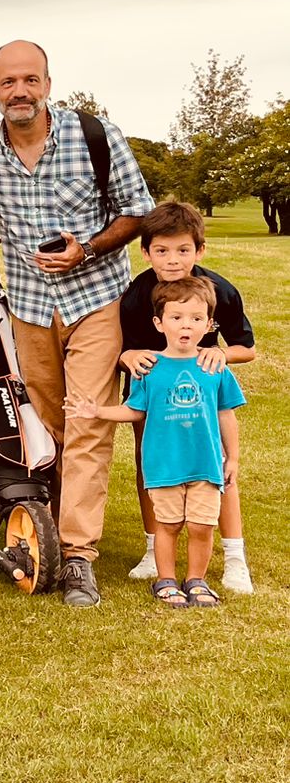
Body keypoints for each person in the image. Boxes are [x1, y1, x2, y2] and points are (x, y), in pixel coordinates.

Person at [0, 41, 153, 607]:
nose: (21, 90)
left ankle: (79, 557)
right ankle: (59, 521)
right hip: (29, 307)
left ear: (47, 83)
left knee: (87, 420)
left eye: (30, 79)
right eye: (8, 82)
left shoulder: (95, 136)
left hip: (96, 300)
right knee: (50, 423)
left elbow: (137, 209)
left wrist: (85, 249)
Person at [65, 276, 243, 607]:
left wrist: (231, 458)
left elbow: (225, 415)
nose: (186, 326)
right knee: (170, 524)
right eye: (176, 318)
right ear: (159, 324)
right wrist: (95, 410)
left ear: (209, 324)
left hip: (205, 464)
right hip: (164, 466)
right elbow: (134, 411)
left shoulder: (214, 368)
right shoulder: (149, 369)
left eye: (196, 319)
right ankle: (166, 580)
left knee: (202, 527)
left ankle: (197, 580)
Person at [118, 201, 256, 593]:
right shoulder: (136, 296)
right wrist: (127, 355)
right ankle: (152, 549)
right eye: (162, 251)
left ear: (200, 251)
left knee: (220, 469)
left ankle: (234, 557)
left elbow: (246, 347)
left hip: (204, 397)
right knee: (150, 465)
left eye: (183, 250)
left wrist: (219, 353)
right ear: (145, 252)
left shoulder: (220, 291)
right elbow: (125, 347)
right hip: (152, 395)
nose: (173, 260)